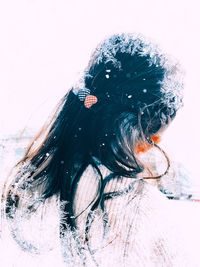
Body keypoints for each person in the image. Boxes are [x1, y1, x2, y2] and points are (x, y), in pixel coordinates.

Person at [1, 33, 199, 266]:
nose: (155, 144)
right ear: (130, 130)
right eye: (153, 137)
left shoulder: (20, 188)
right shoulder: (145, 212)